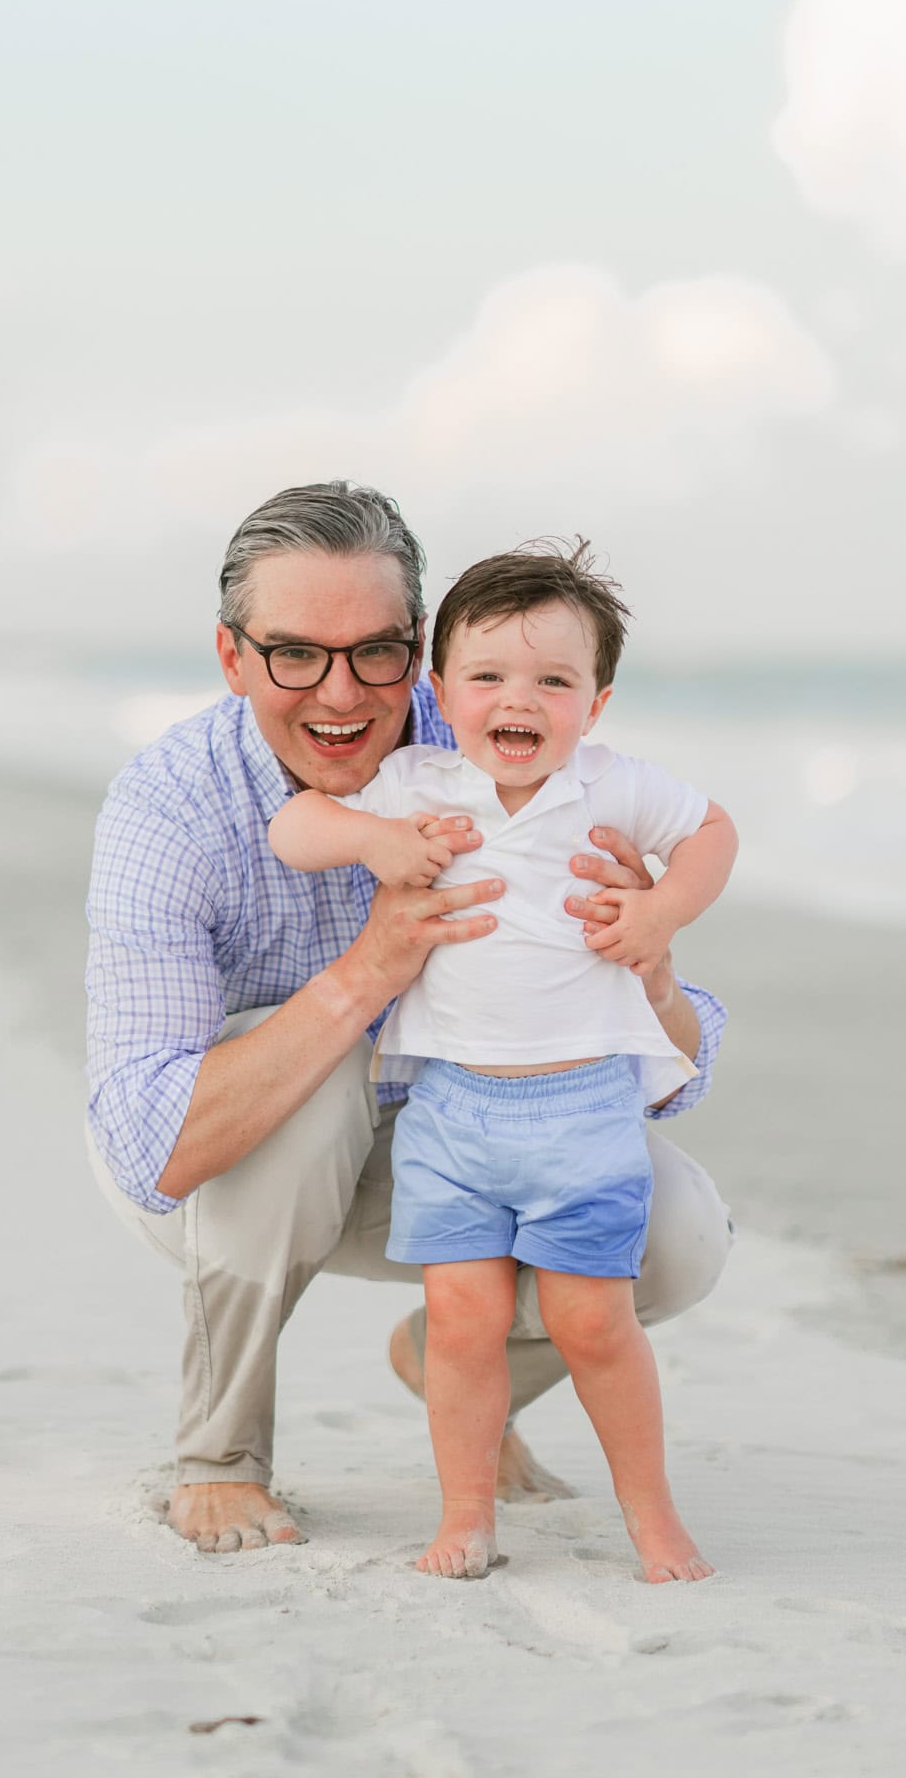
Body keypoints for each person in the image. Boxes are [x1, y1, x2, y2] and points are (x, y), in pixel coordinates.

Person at [85, 481, 734, 1557]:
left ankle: (457, 1364)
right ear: (232, 656)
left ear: (420, 649)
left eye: (376, 651)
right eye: (295, 652)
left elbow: (676, 1065)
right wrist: (366, 973)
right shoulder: (172, 808)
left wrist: (650, 955)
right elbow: (158, 1146)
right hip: (230, 1166)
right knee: (319, 1062)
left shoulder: (503, 730)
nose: (340, 692)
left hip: (461, 1134)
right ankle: (221, 1459)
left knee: (677, 1235)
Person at [269, 544, 737, 1582]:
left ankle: (653, 1521)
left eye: (553, 682)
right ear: (441, 693)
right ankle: (466, 1516)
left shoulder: (612, 790)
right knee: (463, 1323)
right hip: (452, 1114)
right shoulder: (418, 782)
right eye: (486, 677)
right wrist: (370, 841)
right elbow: (296, 822)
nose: (516, 701)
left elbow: (712, 832)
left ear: (596, 703)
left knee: (593, 1324)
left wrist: (662, 909)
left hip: (584, 1117)